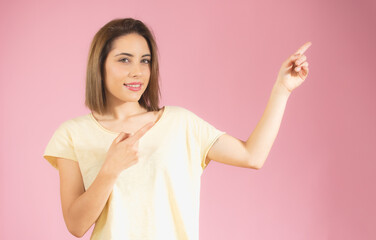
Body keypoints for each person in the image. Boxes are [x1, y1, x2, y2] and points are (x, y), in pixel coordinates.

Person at [43, 17, 311, 240]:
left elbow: (252, 156)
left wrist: (282, 89)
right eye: (124, 60)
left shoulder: (180, 123)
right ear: (99, 66)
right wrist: (110, 169)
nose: (137, 71)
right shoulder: (71, 134)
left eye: (144, 60)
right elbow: (76, 225)